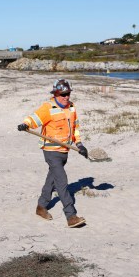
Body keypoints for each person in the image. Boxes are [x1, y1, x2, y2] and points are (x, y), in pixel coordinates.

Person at [17, 79, 88, 228]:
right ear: (56, 94)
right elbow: (34, 118)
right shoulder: (48, 107)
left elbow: (75, 127)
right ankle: (71, 216)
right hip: (51, 151)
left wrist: (80, 145)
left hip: (64, 151)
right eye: (63, 94)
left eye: (68, 93)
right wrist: (26, 124)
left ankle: (41, 207)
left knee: (52, 180)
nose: (66, 97)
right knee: (62, 182)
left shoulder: (72, 108)